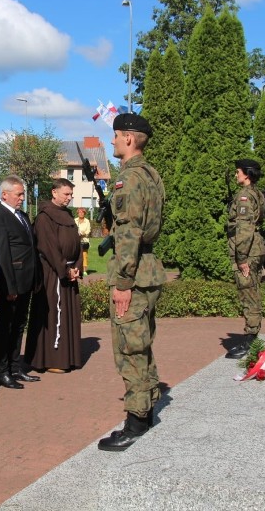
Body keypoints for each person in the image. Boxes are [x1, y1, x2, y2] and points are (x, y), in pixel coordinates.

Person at [97, 113, 165, 452]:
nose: (111, 142)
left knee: (130, 349)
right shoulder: (152, 175)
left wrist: (122, 283)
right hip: (149, 268)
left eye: (115, 136)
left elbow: (128, 233)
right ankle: (148, 406)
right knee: (143, 342)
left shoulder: (130, 179)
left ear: (128, 138)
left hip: (134, 274)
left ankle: (136, 420)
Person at [0, 175, 42, 390]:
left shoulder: (23, 216)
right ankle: (1, 372)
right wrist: (8, 286)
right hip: (11, 284)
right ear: (5, 195)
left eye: (23, 194)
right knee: (5, 328)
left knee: (19, 326)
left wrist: (36, 277)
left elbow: (29, 248)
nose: (22, 198)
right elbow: (3, 255)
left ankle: (15, 366)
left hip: (26, 281)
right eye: (19, 194)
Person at [25, 178, 83, 374]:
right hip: (52, 273)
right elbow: (48, 247)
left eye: (71, 194)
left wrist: (76, 267)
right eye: (66, 194)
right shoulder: (45, 217)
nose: (69, 198)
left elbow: (77, 243)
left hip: (68, 272)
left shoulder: (67, 215)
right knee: (52, 315)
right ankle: (51, 358)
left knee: (68, 315)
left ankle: (67, 357)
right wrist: (65, 270)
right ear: (54, 193)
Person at [224, 159, 265, 360]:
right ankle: (253, 335)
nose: (235, 175)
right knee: (252, 292)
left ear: (247, 174)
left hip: (247, 251)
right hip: (254, 249)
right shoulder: (256, 193)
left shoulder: (244, 196)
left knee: (248, 294)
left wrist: (242, 259)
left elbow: (244, 229)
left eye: (238, 172)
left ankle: (251, 341)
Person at [75, 207, 91, 279]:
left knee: (84, 256)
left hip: (84, 241)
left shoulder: (87, 221)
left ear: (84, 213)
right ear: (77, 213)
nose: (81, 214)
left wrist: (82, 234)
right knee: (76, 255)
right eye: (79, 212)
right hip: (76, 241)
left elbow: (88, 231)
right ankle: (76, 269)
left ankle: (84, 270)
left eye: (82, 212)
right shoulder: (75, 220)